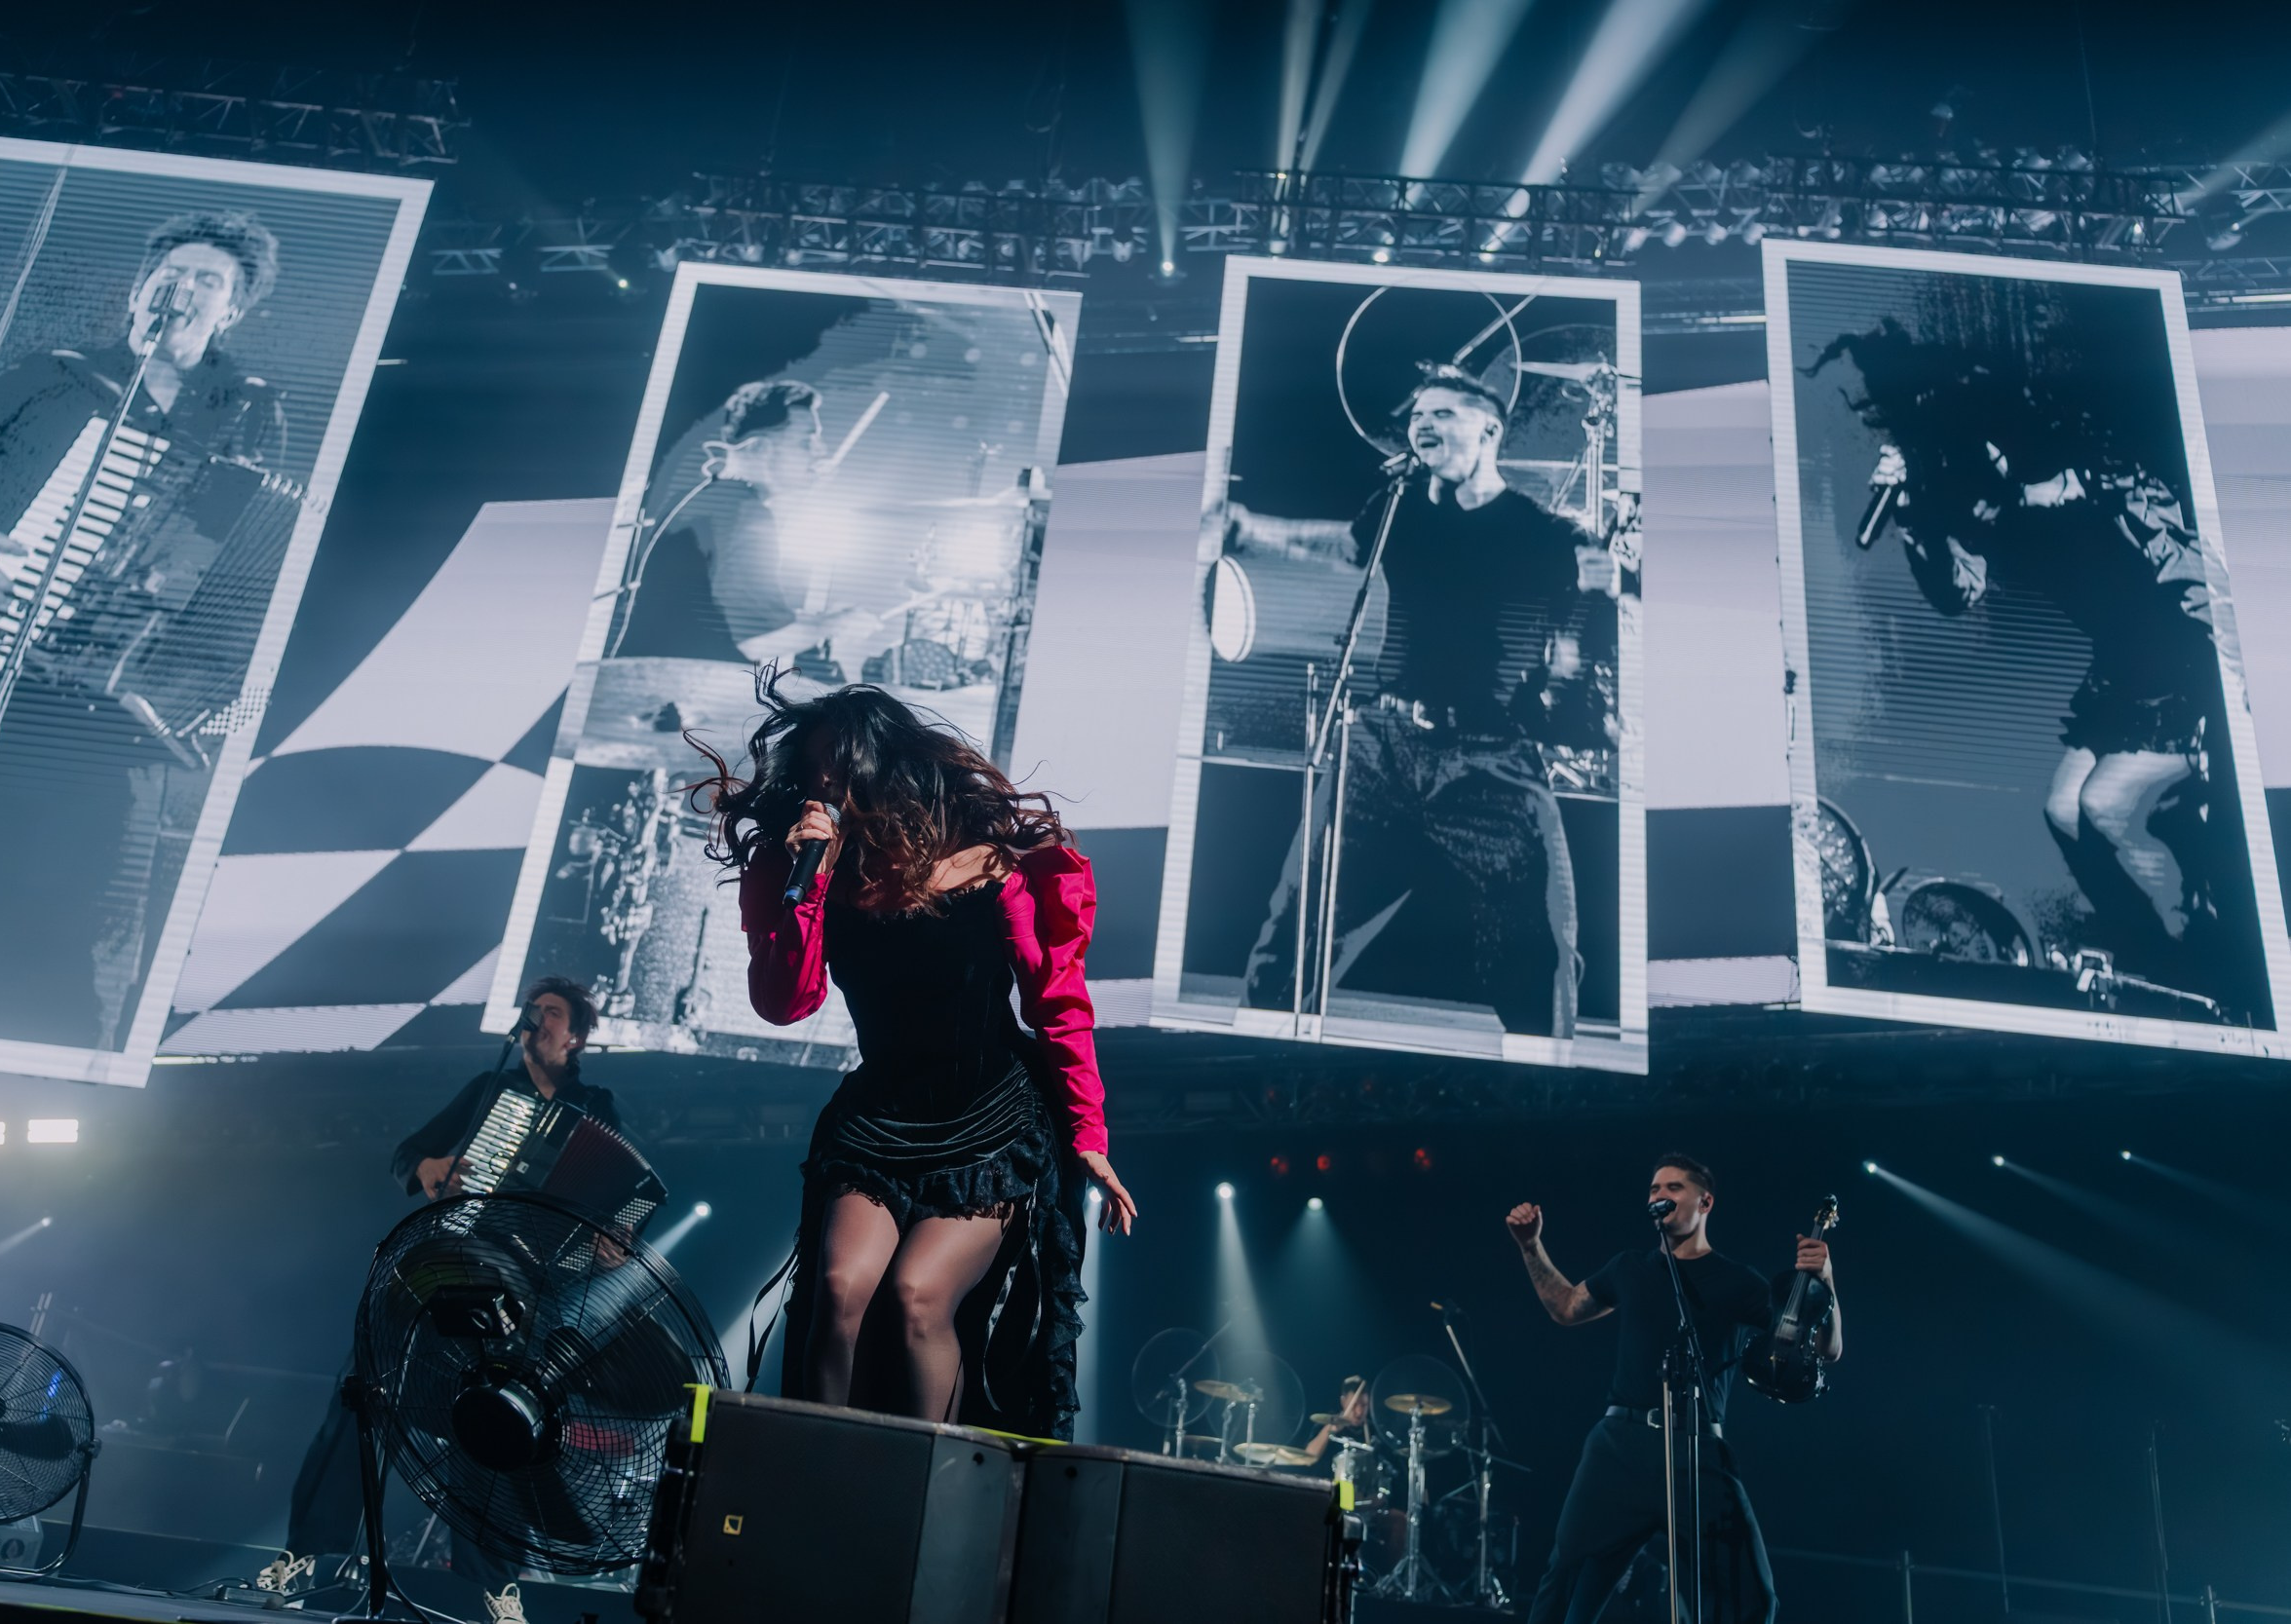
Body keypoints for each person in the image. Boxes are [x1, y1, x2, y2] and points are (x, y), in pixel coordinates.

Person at [0, 208, 292, 1050]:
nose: (186, 287)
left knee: (50, 911)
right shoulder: (55, 377)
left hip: (91, 712)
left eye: (210, 281)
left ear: (229, 313)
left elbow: (244, 564)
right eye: (172, 272)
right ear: (137, 292)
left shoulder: (248, 411)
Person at [702, 670, 1136, 1436]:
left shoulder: (988, 867)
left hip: (991, 1126)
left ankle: (926, 1499)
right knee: (839, 1289)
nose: (820, 783)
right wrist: (807, 889)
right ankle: (816, 1484)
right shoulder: (813, 878)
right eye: (811, 770)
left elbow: (1057, 1005)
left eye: (834, 763)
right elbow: (785, 1002)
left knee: (916, 1297)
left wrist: (1089, 1137)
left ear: (882, 762)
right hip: (878, 1128)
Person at [1816, 316, 2259, 1016]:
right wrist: (1915, 520)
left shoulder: (2057, 453)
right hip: (2124, 665)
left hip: (2180, 645)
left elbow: (2100, 511)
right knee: (2063, 811)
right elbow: (1958, 594)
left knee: (2105, 808)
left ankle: (2206, 967)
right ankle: (2148, 957)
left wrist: (2002, 495)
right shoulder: (1959, 473)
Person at [1224, 361, 1620, 1038]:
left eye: (1444, 414)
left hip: (1490, 763)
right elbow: (1345, 545)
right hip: (1381, 749)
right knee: (1292, 933)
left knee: (1543, 957)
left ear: (1490, 428)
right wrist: (1250, 528)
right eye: (1417, 418)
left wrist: (1619, 581)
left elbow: (1604, 599)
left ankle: (1550, 1097)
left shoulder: (1541, 530)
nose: (1423, 425)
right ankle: (1257, 1062)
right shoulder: (1398, 510)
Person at [282, 976, 621, 1624]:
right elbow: (409, 1152)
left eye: (551, 1014)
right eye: (533, 1012)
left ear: (575, 1035)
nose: (536, 1021)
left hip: (525, 1291)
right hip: (449, 1265)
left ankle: (494, 1590)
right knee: (362, 1392)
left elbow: (622, 1198)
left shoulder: (596, 1104)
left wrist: (614, 1240)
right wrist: (431, 1170)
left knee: (494, 1430)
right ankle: (306, 1554)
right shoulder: (490, 1090)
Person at [1507, 1155, 1841, 1624]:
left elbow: (1824, 1350)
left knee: (1753, 1599)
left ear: (1705, 1201)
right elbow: (1566, 1307)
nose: (1658, 1195)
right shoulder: (1628, 1267)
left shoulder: (1738, 1281)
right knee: (1566, 1583)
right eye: (1653, 1188)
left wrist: (1824, 1281)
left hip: (1696, 1450)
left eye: (1673, 1187)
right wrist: (1530, 1246)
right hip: (1618, 1449)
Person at [612, 379, 882, 676]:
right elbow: (756, 637)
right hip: (669, 696)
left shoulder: (716, 497)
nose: (821, 452)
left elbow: (709, 613)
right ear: (761, 448)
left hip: (652, 681)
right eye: (807, 441)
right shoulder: (738, 510)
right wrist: (838, 624)